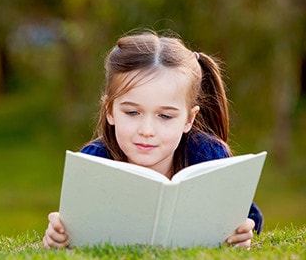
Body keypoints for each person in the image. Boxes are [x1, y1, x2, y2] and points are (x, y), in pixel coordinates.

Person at [43, 31, 263, 249]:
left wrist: (242, 231)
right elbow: (73, 227)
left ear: (189, 118)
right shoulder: (94, 160)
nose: (147, 130)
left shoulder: (208, 154)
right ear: (110, 110)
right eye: (132, 113)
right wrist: (59, 235)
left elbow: (244, 217)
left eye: (165, 116)